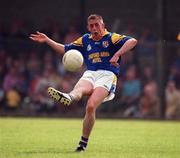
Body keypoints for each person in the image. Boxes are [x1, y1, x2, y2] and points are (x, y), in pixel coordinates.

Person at [30, 14, 137, 152]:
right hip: (90, 73)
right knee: (79, 90)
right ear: (88, 27)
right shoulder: (85, 39)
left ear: (103, 25)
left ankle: (83, 143)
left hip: (107, 75)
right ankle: (68, 97)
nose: (94, 28)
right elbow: (65, 49)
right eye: (91, 26)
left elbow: (133, 41)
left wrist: (117, 54)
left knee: (91, 106)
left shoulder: (112, 37)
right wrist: (47, 40)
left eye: (97, 25)